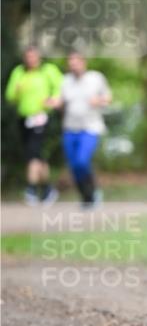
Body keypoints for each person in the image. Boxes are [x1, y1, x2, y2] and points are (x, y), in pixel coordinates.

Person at [48, 52, 112, 207]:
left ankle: (92, 193)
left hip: (90, 127)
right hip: (70, 128)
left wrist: (99, 100)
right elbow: (61, 101)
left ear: (84, 63)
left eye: (76, 63)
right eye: (71, 64)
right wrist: (55, 103)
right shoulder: (65, 81)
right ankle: (86, 196)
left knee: (82, 161)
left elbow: (108, 98)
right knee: (74, 166)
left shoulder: (96, 78)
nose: (73, 66)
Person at [4, 46, 62, 205]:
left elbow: (60, 87)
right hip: (24, 118)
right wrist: (16, 91)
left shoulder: (48, 71)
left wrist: (53, 99)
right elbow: (10, 96)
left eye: (33, 56)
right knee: (37, 155)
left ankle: (31, 188)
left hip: (41, 116)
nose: (31, 60)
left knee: (33, 152)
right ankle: (47, 189)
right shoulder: (19, 72)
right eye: (28, 57)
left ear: (39, 57)